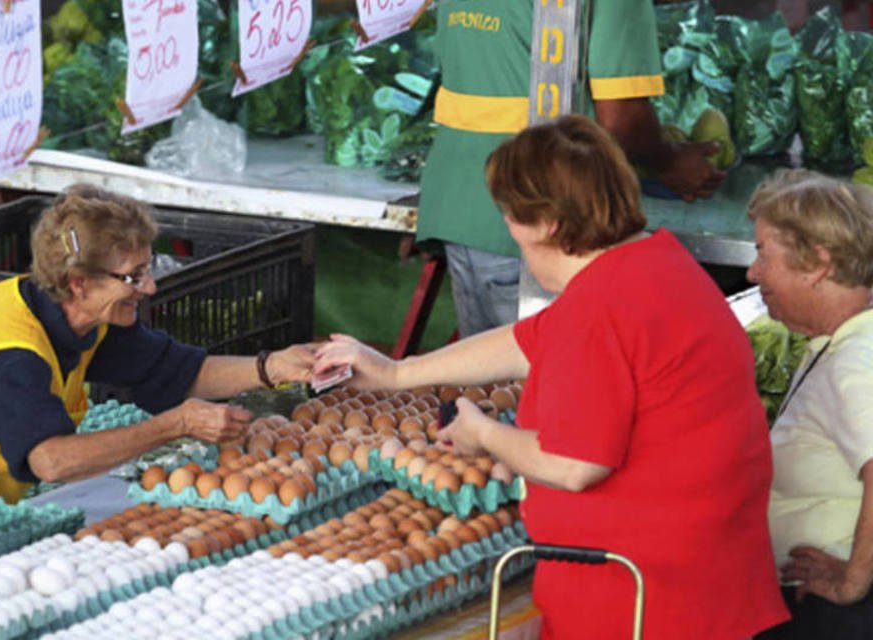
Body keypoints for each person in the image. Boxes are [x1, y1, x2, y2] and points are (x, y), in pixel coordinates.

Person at [317, 115, 787, 638]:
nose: (508, 229)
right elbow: (529, 340)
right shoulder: (654, 264)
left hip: (643, 599)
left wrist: (485, 435)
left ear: (546, 224)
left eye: (510, 215)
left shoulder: (600, 310)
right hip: (709, 580)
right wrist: (397, 373)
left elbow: (573, 466)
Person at [0, 185, 316, 503]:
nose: (150, 286)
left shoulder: (83, 317)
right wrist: (177, 424)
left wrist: (273, 367)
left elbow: (177, 372)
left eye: (148, 268)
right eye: (133, 276)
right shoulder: (10, 355)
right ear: (79, 282)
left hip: (0, 500)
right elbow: (51, 461)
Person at [417, 0, 726, 337]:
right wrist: (670, 161)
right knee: (551, 377)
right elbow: (621, 121)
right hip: (545, 219)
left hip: (461, 203)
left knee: (492, 382)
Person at [745, 172, 873, 639]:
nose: (752, 273)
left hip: (836, 619)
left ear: (817, 263)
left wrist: (852, 581)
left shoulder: (856, 360)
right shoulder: (835, 344)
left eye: (763, 253)